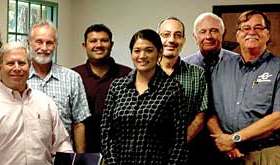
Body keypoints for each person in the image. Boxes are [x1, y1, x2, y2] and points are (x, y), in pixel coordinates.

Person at [0, 42, 73, 165]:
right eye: (10, 63)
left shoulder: (45, 103)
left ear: (29, 66)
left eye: (22, 63)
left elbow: (62, 146)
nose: (17, 68)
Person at [101, 29, 188, 164]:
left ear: (159, 53)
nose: (142, 56)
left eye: (149, 50)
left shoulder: (172, 89)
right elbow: (106, 133)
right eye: (137, 51)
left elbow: (179, 142)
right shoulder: (117, 87)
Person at [210, 10, 280, 164]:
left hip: (265, 154)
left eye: (258, 28)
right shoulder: (220, 68)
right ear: (237, 36)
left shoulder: (278, 68)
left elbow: (277, 119)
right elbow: (209, 111)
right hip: (227, 155)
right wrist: (226, 143)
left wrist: (234, 138)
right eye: (246, 28)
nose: (252, 32)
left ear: (267, 34)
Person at [182, 13, 240, 164]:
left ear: (223, 33)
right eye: (203, 31)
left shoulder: (239, 63)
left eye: (214, 30)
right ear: (195, 37)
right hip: (194, 146)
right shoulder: (184, 66)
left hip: (231, 143)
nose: (208, 36)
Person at [26, 21, 90, 153]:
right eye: (39, 42)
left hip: (62, 157)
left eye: (49, 43)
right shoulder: (19, 78)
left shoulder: (72, 78)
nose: (44, 48)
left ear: (55, 45)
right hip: (26, 157)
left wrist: (78, 159)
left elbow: (78, 124)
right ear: (29, 43)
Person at [71, 24, 131, 154]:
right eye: (93, 41)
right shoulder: (73, 76)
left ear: (111, 44)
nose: (99, 45)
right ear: (84, 45)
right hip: (83, 151)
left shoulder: (128, 75)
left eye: (104, 40)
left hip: (120, 152)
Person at [157, 17, 208, 142]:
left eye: (177, 35)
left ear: (183, 41)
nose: (172, 40)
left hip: (185, 151)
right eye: (166, 35)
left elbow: (200, 116)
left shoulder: (197, 74)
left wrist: (180, 144)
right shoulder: (141, 74)